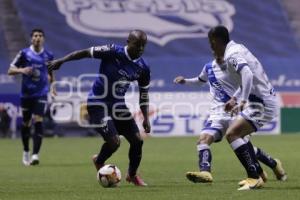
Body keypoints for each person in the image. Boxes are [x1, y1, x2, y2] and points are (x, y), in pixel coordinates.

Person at [47, 30, 151, 186]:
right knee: (114, 142)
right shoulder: (112, 51)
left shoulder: (143, 67)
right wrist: (61, 61)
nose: (141, 49)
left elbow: (144, 94)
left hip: (118, 105)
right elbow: (83, 53)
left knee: (137, 141)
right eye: (137, 45)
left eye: (144, 46)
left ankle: (132, 175)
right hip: (97, 102)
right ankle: (99, 160)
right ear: (128, 41)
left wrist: (146, 118)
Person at [174, 58, 286, 186]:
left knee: (245, 147)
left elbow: (246, 82)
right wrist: (185, 81)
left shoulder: (234, 66)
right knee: (203, 140)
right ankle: (205, 172)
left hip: (236, 112)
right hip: (217, 115)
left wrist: (240, 101)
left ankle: (273, 164)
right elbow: (200, 81)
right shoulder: (209, 67)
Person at [205, 25, 283, 190]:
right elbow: (247, 79)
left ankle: (254, 178)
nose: (210, 47)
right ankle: (259, 174)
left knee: (233, 134)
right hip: (261, 99)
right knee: (239, 135)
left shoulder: (232, 54)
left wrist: (242, 101)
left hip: (261, 103)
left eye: (210, 43)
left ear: (215, 41)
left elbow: (247, 74)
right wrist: (235, 98)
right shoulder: (238, 48)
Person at [8, 28, 54, 166]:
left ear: (43, 39)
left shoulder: (48, 55)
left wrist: (53, 86)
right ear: (31, 38)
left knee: (38, 120)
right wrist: (22, 70)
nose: (38, 38)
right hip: (26, 94)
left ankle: (35, 155)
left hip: (41, 93)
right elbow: (10, 70)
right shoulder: (24, 53)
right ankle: (26, 150)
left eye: (40, 35)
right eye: (35, 35)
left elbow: (51, 73)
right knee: (26, 123)